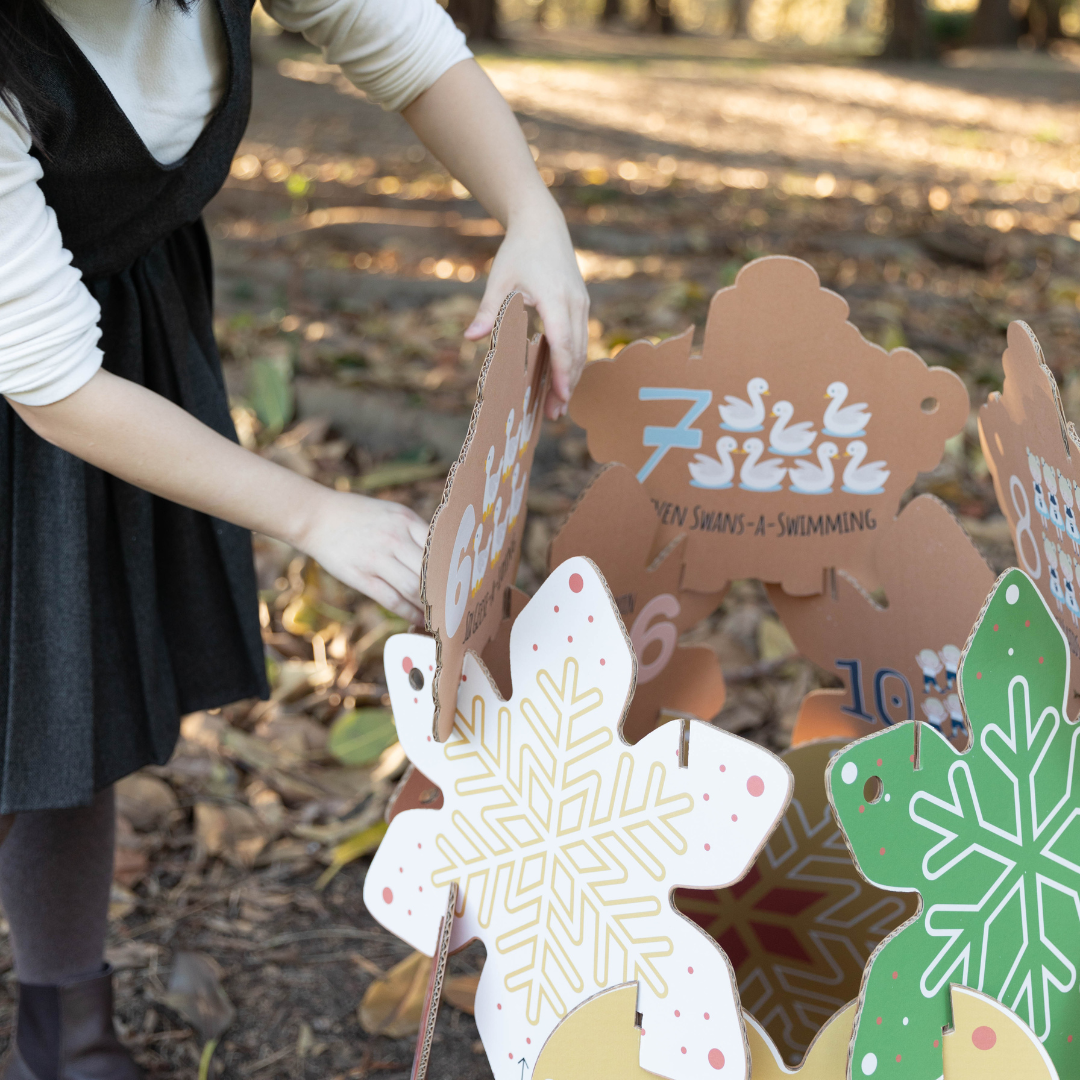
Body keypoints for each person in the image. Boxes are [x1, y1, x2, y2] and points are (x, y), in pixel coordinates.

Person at [0, 1, 589, 1076]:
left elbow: (404, 44)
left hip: (115, 327)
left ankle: (65, 1030)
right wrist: (315, 514)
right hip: (51, 367)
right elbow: (51, 381)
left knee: (72, 690)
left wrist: (530, 211)